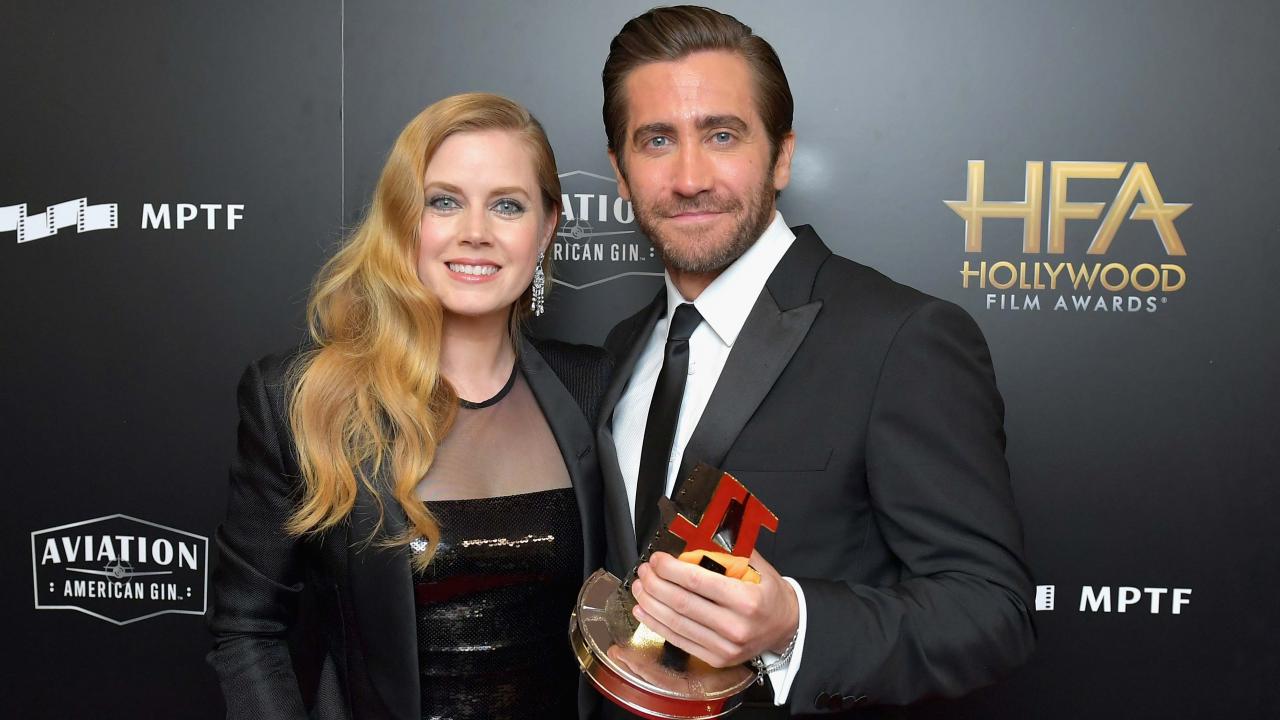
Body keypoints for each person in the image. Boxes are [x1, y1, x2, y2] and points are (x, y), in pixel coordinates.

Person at [593, 7, 1036, 717]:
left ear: (782, 157)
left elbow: (991, 612)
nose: (689, 177)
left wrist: (793, 624)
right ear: (620, 171)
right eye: (657, 140)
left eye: (722, 135)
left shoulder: (901, 338)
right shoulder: (621, 349)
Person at [207, 93, 610, 720]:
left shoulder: (595, 387)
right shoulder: (300, 397)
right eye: (444, 201)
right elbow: (246, 628)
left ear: (547, 228)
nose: (475, 231)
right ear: (403, 220)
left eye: (507, 205)